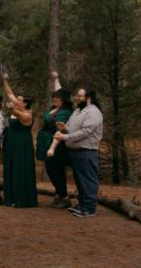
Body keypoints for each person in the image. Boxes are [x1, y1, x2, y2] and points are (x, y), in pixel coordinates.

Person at [54, 87, 103, 218]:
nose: (77, 98)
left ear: (88, 98)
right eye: (76, 95)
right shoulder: (77, 111)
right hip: (75, 151)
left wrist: (65, 137)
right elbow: (71, 127)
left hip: (86, 151)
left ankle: (90, 208)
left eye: (80, 96)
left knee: (88, 180)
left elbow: (86, 132)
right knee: (80, 180)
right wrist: (65, 128)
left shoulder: (93, 112)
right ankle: (82, 204)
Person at [36, 72, 73, 209]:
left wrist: (51, 148)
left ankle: (65, 198)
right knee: (56, 171)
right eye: (54, 96)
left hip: (54, 143)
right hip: (47, 141)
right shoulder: (56, 108)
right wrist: (56, 79)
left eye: (58, 97)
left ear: (64, 99)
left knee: (54, 172)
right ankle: (58, 196)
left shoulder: (63, 112)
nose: (55, 98)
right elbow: (60, 90)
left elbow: (60, 130)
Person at [2, 75, 38, 208]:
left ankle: (20, 197)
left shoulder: (27, 115)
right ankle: (10, 197)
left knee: (19, 168)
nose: (16, 101)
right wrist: (5, 80)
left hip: (22, 144)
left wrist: (11, 108)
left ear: (25, 103)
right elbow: (9, 92)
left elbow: (18, 116)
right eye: (16, 100)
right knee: (10, 167)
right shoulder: (17, 106)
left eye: (19, 100)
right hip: (11, 142)